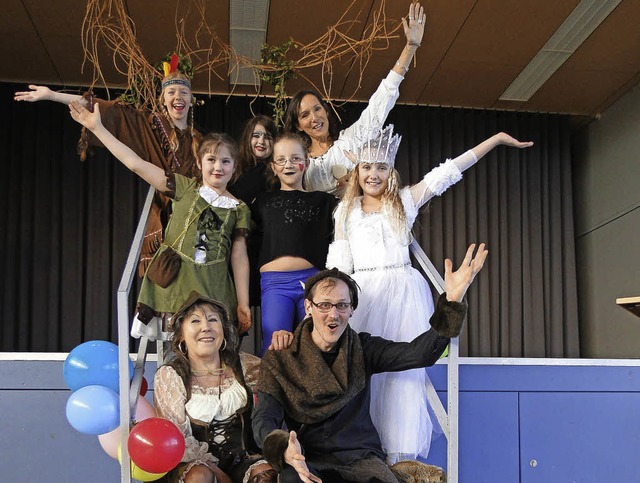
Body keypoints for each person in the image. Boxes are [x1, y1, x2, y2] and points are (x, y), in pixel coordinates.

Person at [327, 125, 533, 462]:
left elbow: (448, 172)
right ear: (357, 171)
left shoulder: (404, 202)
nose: (373, 174)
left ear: (390, 171)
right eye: (367, 167)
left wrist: (494, 140)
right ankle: (361, 455)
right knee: (360, 374)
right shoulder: (345, 213)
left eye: (381, 167)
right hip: (363, 297)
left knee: (402, 378)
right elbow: (338, 267)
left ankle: (398, 459)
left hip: (402, 295)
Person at [252, 244, 488, 483]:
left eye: (341, 305)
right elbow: (264, 418)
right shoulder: (280, 357)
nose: (333, 314)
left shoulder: (363, 348)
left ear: (351, 310)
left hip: (360, 458)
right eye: (324, 305)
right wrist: (284, 448)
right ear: (308, 307)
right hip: (308, 458)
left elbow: (419, 354)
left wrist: (452, 301)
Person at [68, 100, 252, 334]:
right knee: (175, 350)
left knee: (211, 346)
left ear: (234, 167)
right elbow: (136, 164)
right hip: (176, 285)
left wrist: (243, 302)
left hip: (214, 286)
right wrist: (98, 129)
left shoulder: (239, 208)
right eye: (211, 160)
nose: (218, 167)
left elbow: (239, 256)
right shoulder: (185, 187)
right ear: (199, 162)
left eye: (226, 161)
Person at [14, 62, 201, 277]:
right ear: (163, 99)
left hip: (192, 217)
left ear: (191, 100)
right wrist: (53, 96)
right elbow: (105, 109)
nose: (178, 97)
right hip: (165, 210)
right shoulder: (150, 124)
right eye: (171, 92)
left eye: (183, 92)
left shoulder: (202, 142)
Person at [283, 1, 426, 195]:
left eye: (317, 109)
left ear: (325, 110)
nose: (314, 117)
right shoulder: (300, 162)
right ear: (298, 125)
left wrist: (411, 46)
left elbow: (382, 99)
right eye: (305, 114)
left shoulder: (350, 141)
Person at [154, 291, 276, 483]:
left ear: (223, 331)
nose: (206, 328)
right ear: (181, 337)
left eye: (213, 320)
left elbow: (279, 390)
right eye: (195, 321)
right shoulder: (171, 375)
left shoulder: (245, 365)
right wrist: (219, 474)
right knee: (200, 477)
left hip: (242, 460)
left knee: (267, 476)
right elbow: (178, 440)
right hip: (192, 465)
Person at [251, 132, 338, 354]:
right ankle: (270, 390)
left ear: (306, 163)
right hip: (274, 284)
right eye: (281, 160)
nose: (288, 165)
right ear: (273, 166)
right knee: (273, 345)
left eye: (295, 159)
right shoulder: (260, 202)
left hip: (312, 283)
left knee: (314, 346)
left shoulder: (323, 201)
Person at [229, 115, 278, 204]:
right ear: (247, 138)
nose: (261, 142)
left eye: (267, 137)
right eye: (256, 136)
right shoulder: (233, 166)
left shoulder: (277, 173)